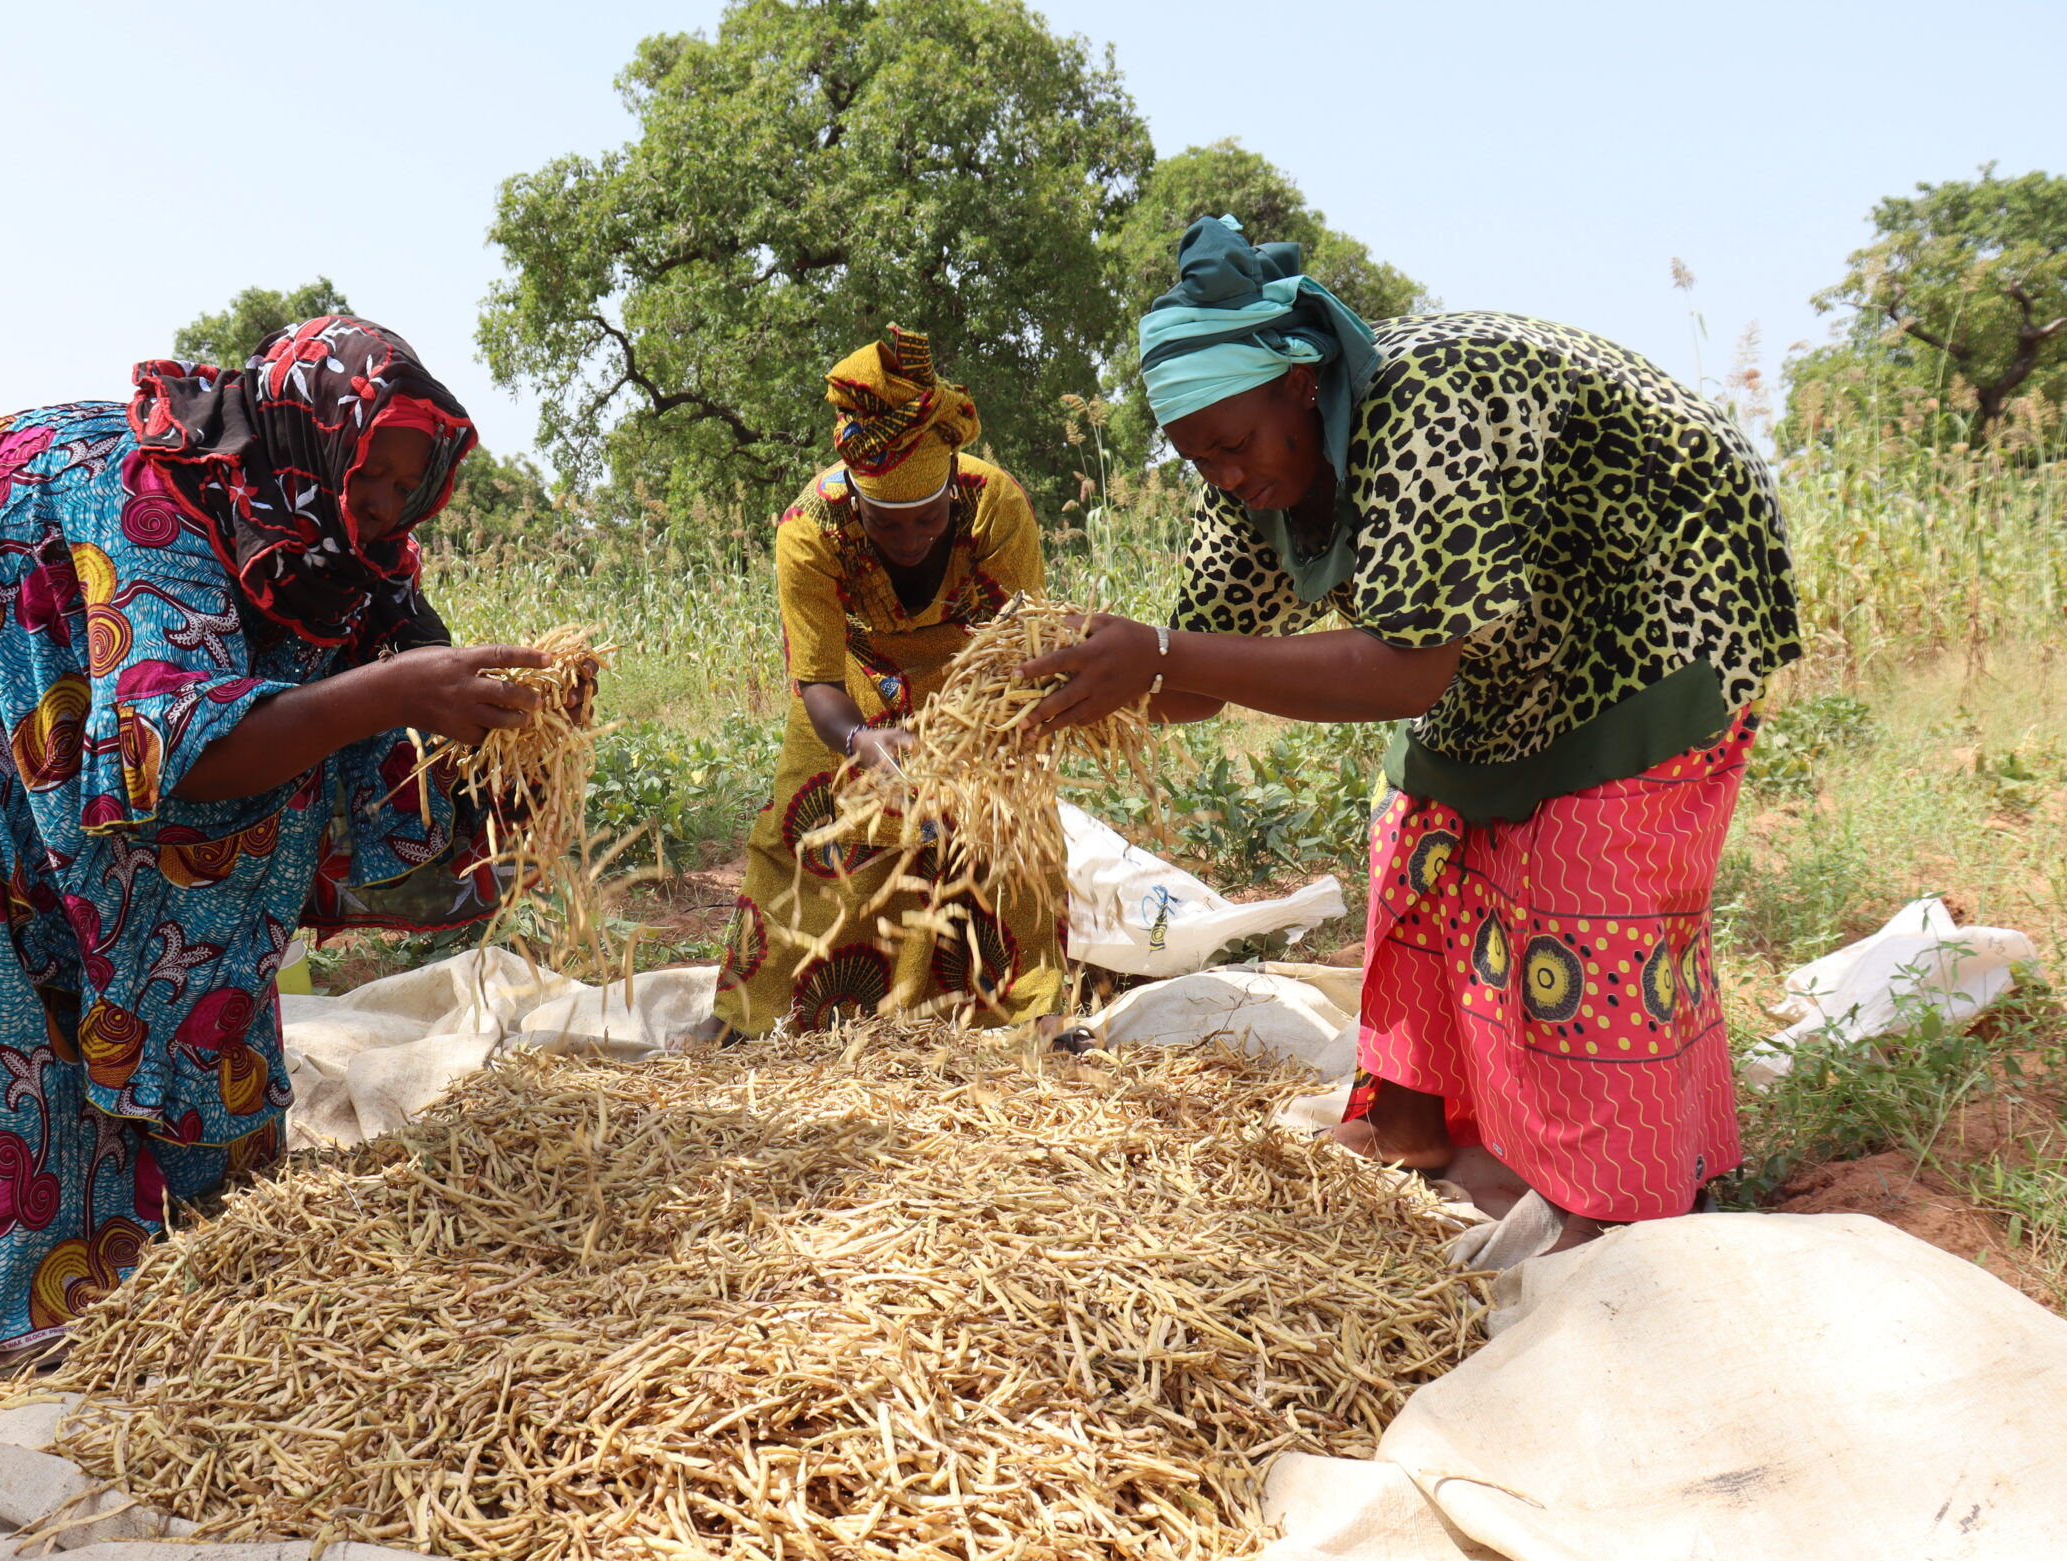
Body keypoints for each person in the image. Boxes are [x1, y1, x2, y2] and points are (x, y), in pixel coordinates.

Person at [0, 316, 557, 1352]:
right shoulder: (147, 500)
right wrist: (386, 694)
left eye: (404, 486)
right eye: (368, 474)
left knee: (211, 873)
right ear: (313, 435)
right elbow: (178, 756)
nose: (379, 506)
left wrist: (510, 735)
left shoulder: (336, 559)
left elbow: (336, 743)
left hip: (51, 668)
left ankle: (206, 1205)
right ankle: (25, 1298)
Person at [1025, 216, 1799, 1253]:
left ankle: (1620, 1209)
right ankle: (1410, 1135)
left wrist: (1159, 653)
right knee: (1419, 837)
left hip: (1655, 606)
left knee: (1582, 890)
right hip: (1509, 632)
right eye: (1196, 458)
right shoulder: (1247, 473)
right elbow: (1199, 672)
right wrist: (1050, 690)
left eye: (1234, 444)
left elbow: (1406, 668)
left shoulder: (1426, 408)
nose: (1225, 476)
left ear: (1299, 385)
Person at [709, 326, 1062, 1038]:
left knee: (1007, 828)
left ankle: (1025, 1018)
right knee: (802, 828)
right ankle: (753, 1018)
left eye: (926, 520)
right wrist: (862, 741)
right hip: (857, 691)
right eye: (885, 524)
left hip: (979, 687)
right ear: (855, 502)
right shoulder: (809, 529)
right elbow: (815, 678)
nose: (908, 540)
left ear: (953, 494)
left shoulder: (999, 507)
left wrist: (974, 745)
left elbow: (1022, 647)